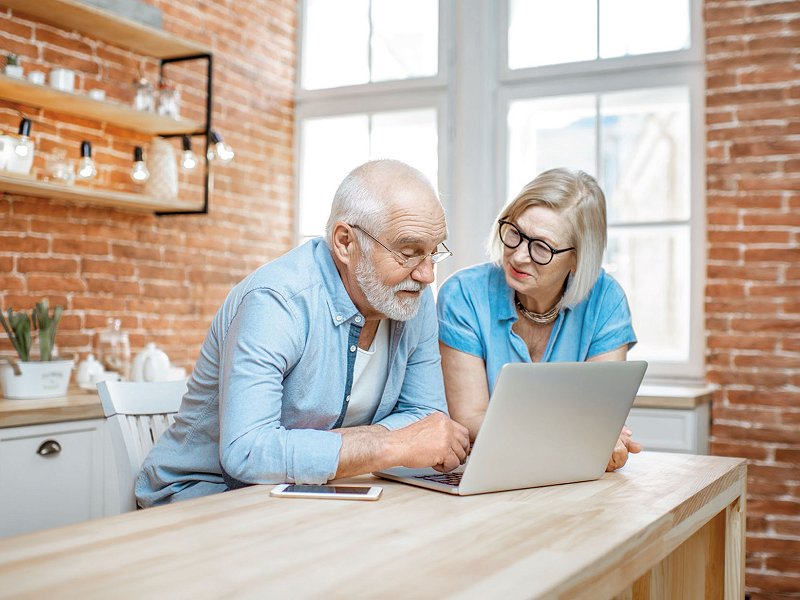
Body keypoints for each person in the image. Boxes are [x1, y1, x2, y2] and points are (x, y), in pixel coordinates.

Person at [136, 159, 470, 507]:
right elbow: (247, 452)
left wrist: (326, 449)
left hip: (310, 494)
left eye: (434, 251)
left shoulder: (410, 296)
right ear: (345, 243)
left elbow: (427, 418)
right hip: (206, 496)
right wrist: (391, 445)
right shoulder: (277, 301)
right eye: (409, 252)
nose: (427, 274)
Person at [437, 168, 640, 472]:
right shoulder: (463, 295)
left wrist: (604, 438)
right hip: (489, 472)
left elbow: (598, 417)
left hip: (568, 476)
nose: (518, 256)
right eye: (515, 234)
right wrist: (585, 436)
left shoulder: (606, 301)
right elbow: (471, 420)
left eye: (542, 247)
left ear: (578, 258)